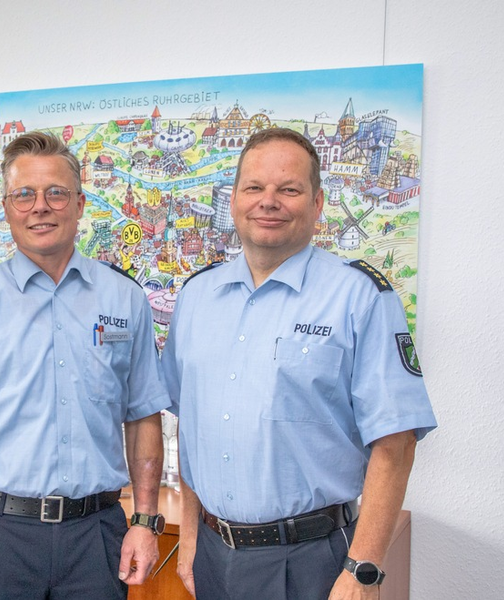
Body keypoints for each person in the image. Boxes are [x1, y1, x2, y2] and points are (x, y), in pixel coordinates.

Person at [162, 128, 437, 600]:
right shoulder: (195, 297)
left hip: (312, 561)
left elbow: (396, 442)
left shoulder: (360, 297)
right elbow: (191, 426)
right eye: (254, 187)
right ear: (234, 199)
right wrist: (189, 535)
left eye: (288, 189)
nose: (268, 201)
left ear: (317, 203)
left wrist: (364, 568)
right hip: (211, 551)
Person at [0, 131, 169, 600]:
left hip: (96, 537)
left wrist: (146, 521)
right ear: (7, 207)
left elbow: (143, 416)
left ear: (80, 204)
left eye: (56, 193)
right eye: (24, 194)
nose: (40, 207)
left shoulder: (125, 299)